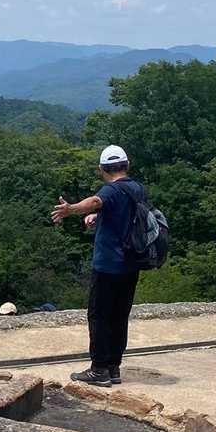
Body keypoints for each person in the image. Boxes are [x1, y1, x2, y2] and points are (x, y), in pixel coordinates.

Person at [50, 144, 146, 386]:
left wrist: (71, 209)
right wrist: (99, 215)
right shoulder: (136, 188)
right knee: (119, 316)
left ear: (102, 169)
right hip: (130, 264)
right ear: (127, 165)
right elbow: (122, 213)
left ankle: (99, 369)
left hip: (108, 266)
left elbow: (95, 201)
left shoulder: (110, 190)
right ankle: (113, 367)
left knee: (99, 316)